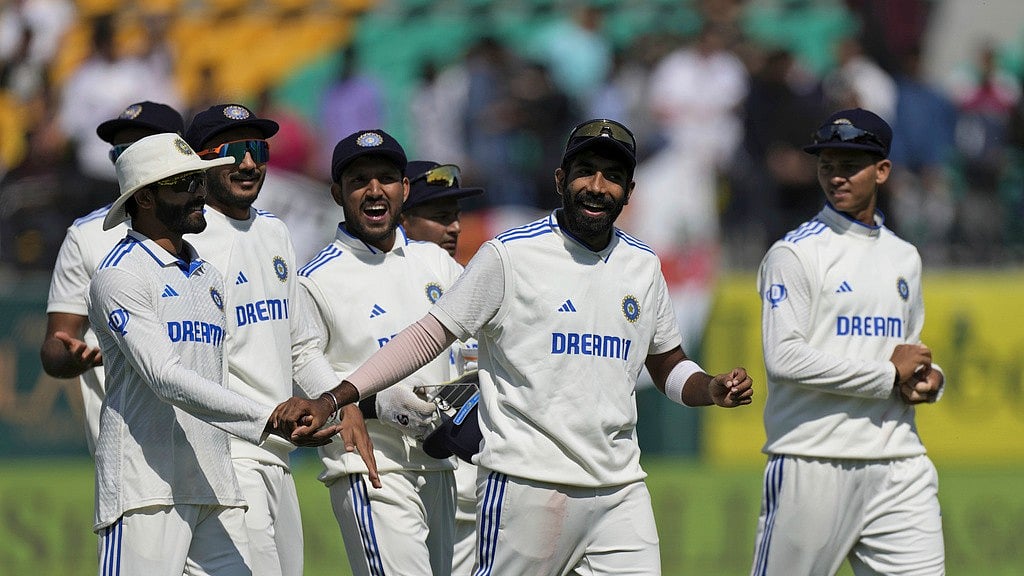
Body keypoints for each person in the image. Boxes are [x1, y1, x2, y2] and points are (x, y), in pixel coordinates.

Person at [278, 118, 754, 575]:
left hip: (620, 488)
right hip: (527, 485)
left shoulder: (643, 265)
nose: (597, 185)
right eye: (585, 171)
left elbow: (667, 364)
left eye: (612, 176)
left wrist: (709, 387)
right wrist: (336, 398)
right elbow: (427, 337)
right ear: (560, 179)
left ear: (630, 191)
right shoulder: (510, 254)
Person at [86, 132, 335, 573]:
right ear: (144, 198)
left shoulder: (207, 276)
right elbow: (165, 377)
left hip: (214, 485)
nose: (199, 192)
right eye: (184, 183)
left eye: (199, 180)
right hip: (145, 490)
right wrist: (268, 417)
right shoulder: (121, 275)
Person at [183, 103, 378, 576]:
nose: (250, 163)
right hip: (227, 455)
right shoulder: (187, 244)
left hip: (279, 454)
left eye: (258, 149)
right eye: (234, 152)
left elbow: (301, 346)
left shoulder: (274, 231)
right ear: (201, 160)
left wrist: (342, 402)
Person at [749, 108, 945, 576]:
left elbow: (907, 351)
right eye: (827, 165)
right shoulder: (795, 253)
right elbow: (784, 358)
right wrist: (887, 376)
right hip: (814, 458)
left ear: (882, 171)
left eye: (850, 165)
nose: (836, 176)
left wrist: (929, 380)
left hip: (899, 461)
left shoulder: (904, 256)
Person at [296, 130, 463, 576]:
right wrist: (376, 403)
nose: (374, 190)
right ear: (337, 193)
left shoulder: (437, 263)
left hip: (440, 465)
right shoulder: (315, 279)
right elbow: (302, 369)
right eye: (359, 180)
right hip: (370, 467)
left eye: (386, 178)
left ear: (404, 188)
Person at [41, 100, 184, 456]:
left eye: (139, 149)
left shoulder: (205, 226)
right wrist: (72, 357)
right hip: (126, 449)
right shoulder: (86, 235)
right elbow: (55, 345)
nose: (127, 163)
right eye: (119, 154)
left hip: (210, 442)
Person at [401, 159, 483, 576]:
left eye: (455, 216)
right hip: (416, 478)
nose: (454, 228)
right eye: (438, 217)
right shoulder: (394, 289)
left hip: (479, 495)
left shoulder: (471, 281)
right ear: (403, 218)